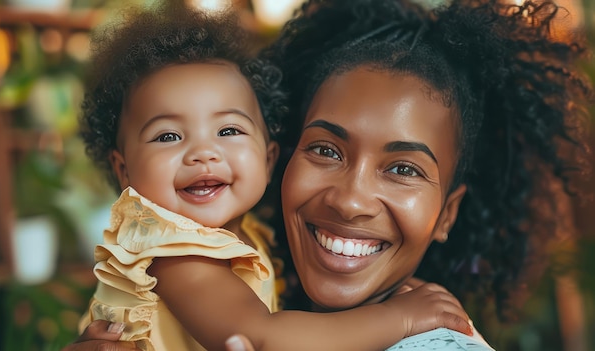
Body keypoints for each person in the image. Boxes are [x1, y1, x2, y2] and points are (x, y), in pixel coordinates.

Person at [67, 0, 594, 349]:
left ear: (267, 158)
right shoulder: (176, 251)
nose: (349, 200)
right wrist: (402, 319)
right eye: (325, 149)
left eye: (404, 168)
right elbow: (265, 336)